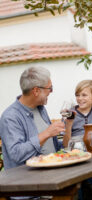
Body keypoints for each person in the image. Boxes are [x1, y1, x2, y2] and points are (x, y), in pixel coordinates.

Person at [0, 67, 66, 199]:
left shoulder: (41, 109)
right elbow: (16, 154)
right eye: (50, 88)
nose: (51, 92)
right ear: (36, 90)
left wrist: (69, 125)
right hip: (31, 191)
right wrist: (47, 133)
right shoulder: (10, 117)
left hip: (53, 182)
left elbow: (52, 146)